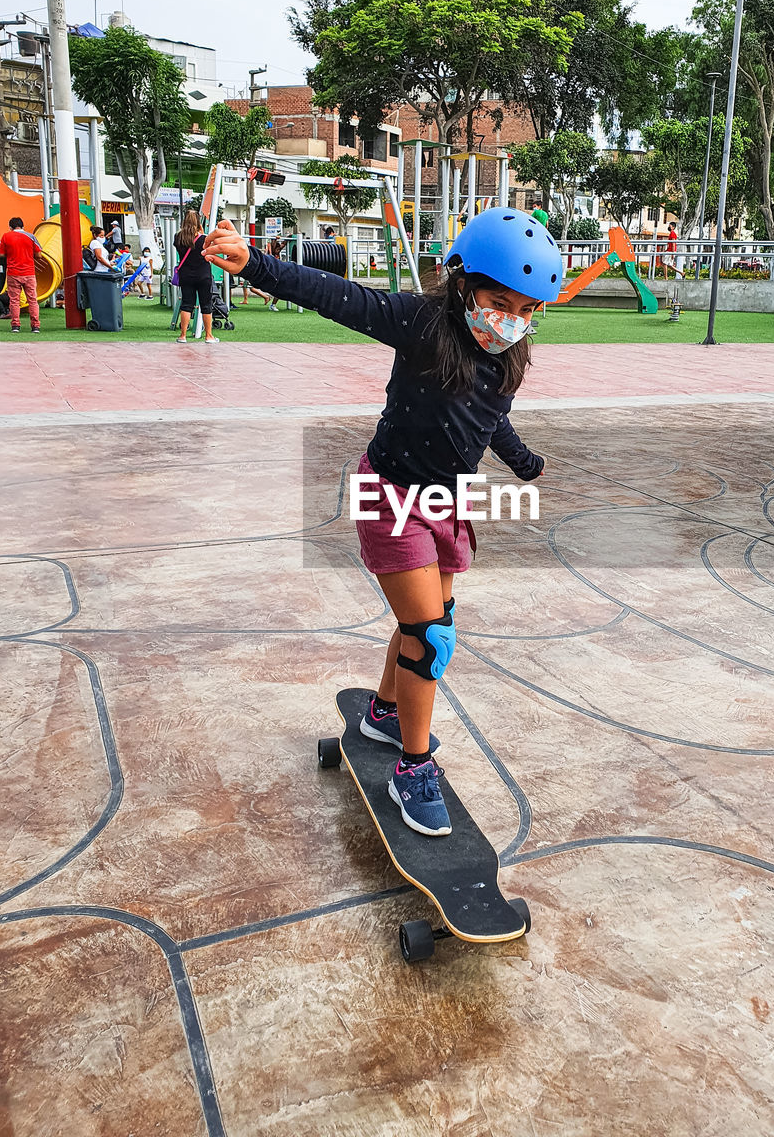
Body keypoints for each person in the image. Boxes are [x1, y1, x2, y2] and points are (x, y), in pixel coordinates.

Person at [203, 206, 561, 837]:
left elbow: (487, 414)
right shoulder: (422, 323)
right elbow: (339, 296)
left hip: (448, 504)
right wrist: (254, 263)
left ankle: (384, 713)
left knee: (423, 626)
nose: (511, 320)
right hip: (391, 494)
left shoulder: (506, 352)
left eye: (528, 309)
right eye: (499, 300)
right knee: (431, 637)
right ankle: (412, 769)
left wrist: (522, 460)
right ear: (459, 281)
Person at [173, 207, 218, 343]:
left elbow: (181, 246)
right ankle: (209, 336)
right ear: (199, 223)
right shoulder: (203, 239)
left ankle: (183, 336)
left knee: (186, 304)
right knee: (206, 304)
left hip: (186, 275)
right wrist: (201, 233)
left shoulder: (178, 237)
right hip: (203, 275)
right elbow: (209, 251)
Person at [0, 216, 43, 334]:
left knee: (14, 301)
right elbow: (39, 255)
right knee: (32, 300)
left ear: (10, 227)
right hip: (29, 273)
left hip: (13, 273)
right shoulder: (31, 237)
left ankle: (15, 326)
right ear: (23, 226)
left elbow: (1, 254)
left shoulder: (6, 236)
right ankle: (35, 326)